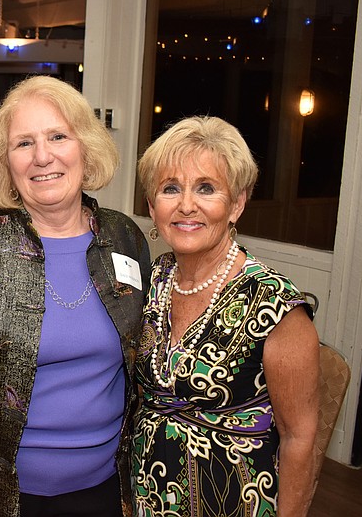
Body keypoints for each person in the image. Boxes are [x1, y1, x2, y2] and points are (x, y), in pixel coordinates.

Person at [0, 75, 151, 517]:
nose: (43, 156)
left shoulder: (125, 238)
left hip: (108, 490)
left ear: (85, 147)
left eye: (58, 136)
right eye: (24, 143)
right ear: (6, 163)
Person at [132, 116, 319, 516]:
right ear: (152, 206)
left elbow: (299, 437)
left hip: (235, 502)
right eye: (169, 189)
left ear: (236, 204)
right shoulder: (156, 277)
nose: (186, 205)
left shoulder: (276, 305)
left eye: (206, 188)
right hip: (147, 497)